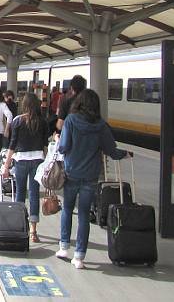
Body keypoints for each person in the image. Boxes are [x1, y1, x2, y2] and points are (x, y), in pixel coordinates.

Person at [56, 88, 131, 269]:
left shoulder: (71, 121)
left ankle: (64, 247)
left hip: (72, 173)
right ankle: (79, 257)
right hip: (91, 175)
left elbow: (64, 147)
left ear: (78, 103)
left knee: (67, 209)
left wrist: (58, 140)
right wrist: (126, 154)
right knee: (83, 214)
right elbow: (112, 151)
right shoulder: (101, 125)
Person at [1, 93, 49, 243]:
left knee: (20, 193)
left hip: (21, 161)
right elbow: (44, 145)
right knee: (34, 194)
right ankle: (33, 231)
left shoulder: (17, 121)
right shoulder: (42, 121)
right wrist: (47, 164)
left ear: (24, 105)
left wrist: (6, 165)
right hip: (37, 161)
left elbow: (12, 145)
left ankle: (21, 225)